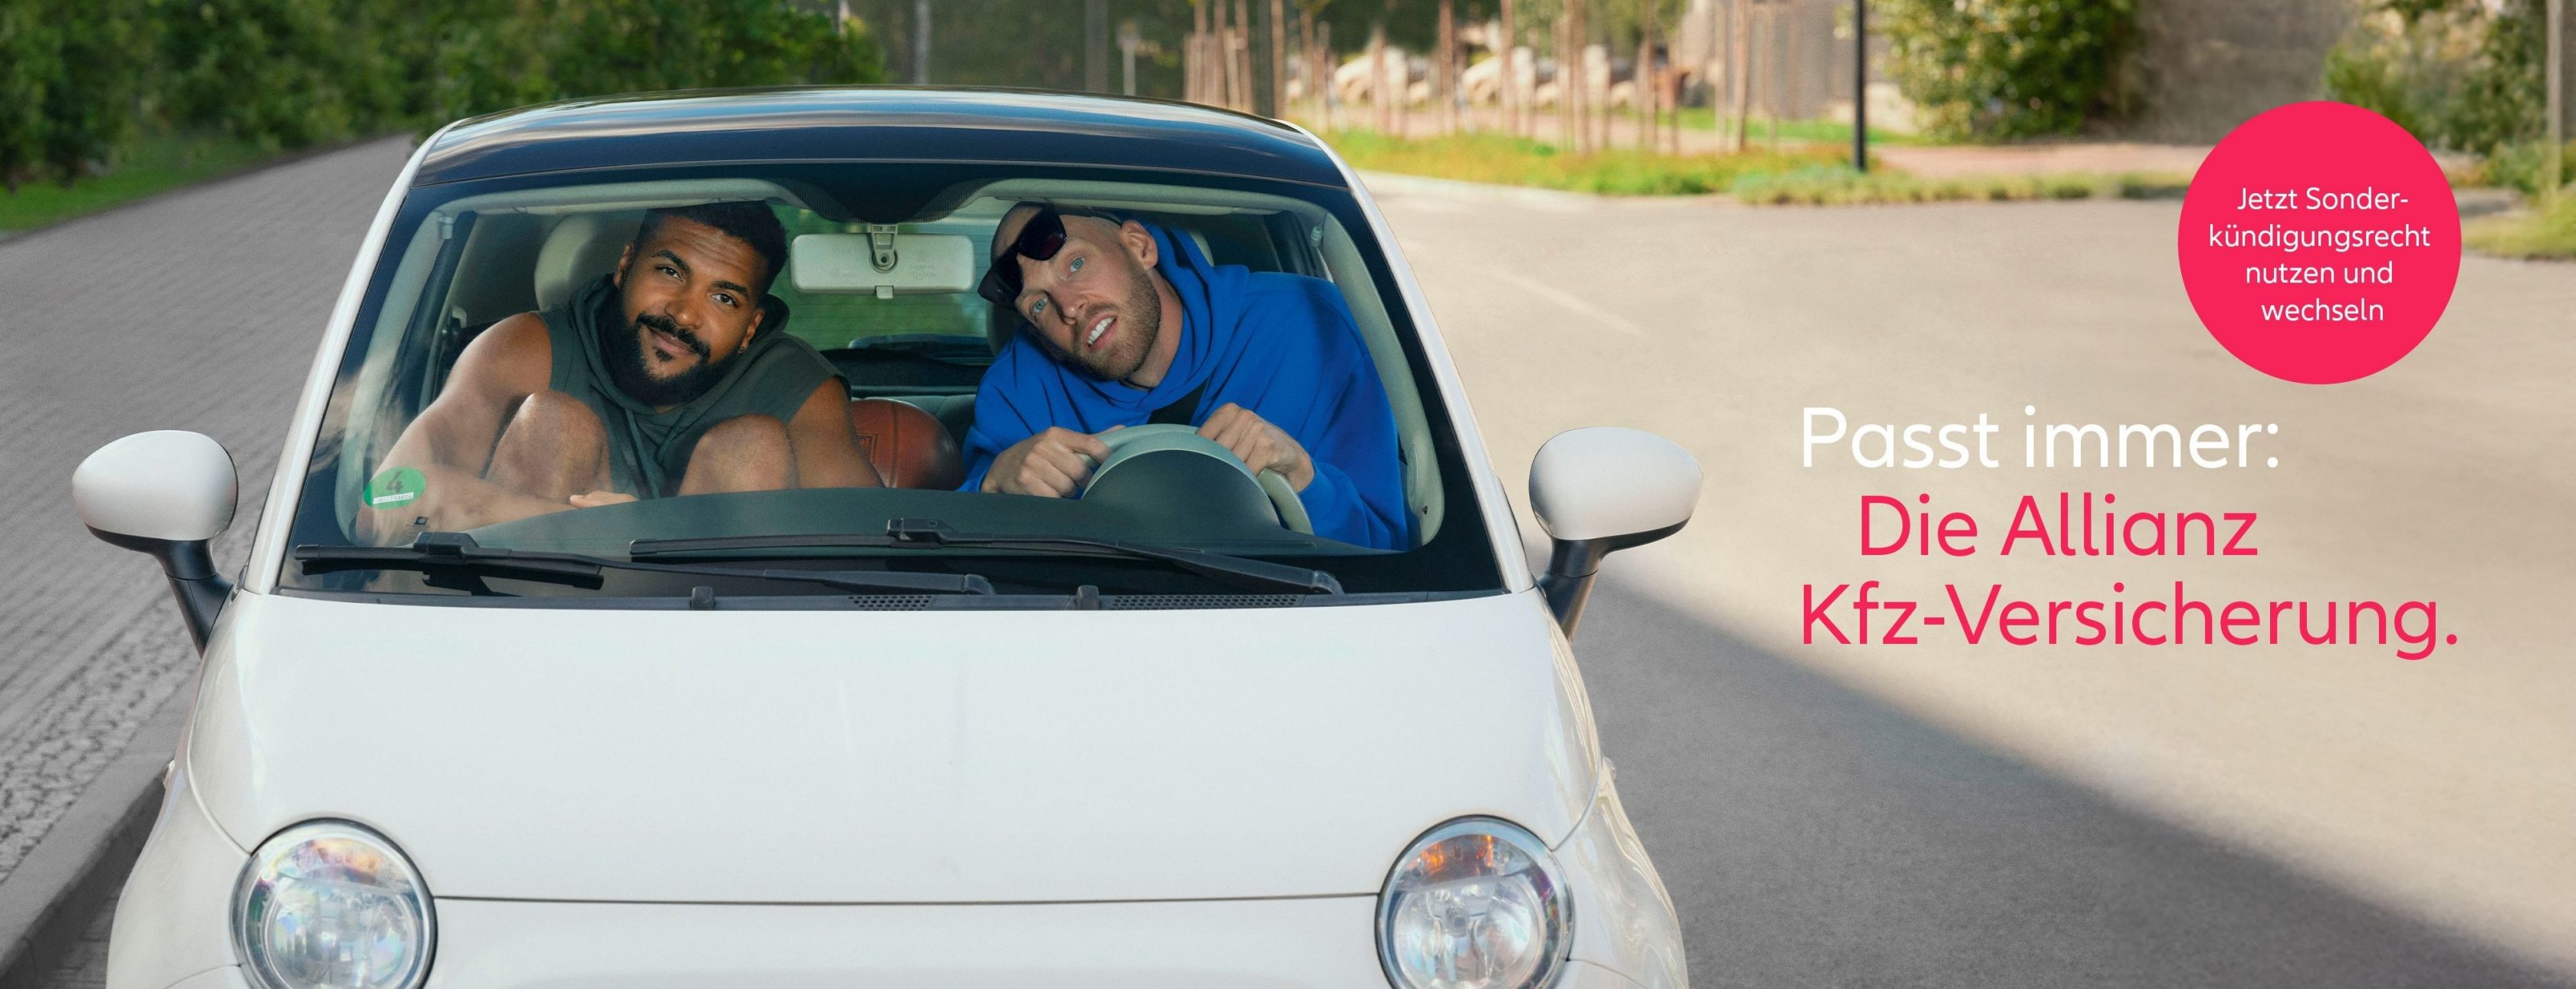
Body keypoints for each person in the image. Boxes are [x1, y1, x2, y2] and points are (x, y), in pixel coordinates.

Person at [361, 201, 879, 542]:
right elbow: (382, 500)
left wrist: (647, 537)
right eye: (670, 271)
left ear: (751, 326)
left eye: (723, 298)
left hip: (725, 642)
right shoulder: (526, 350)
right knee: (555, 421)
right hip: (538, 625)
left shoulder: (793, 388)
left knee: (753, 445)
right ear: (627, 264)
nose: (683, 314)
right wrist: (593, 530)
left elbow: (875, 544)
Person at [964, 203, 1408, 550]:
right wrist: (993, 484)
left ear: (1139, 246)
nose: (1069, 306)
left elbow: (1390, 549)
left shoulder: (1311, 325)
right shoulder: (1017, 389)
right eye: (1039, 305)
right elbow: (952, 548)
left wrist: (1304, 477)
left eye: (1076, 265)